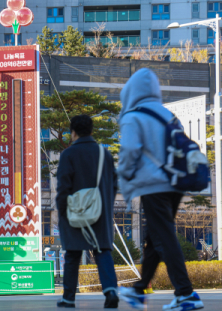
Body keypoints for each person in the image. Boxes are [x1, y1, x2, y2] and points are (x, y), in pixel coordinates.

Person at [117, 68, 204, 310]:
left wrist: (123, 179)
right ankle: (139, 290)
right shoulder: (167, 114)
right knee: (155, 238)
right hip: (174, 184)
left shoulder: (133, 116)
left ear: (131, 92)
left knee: (164, 237)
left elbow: (130, 151)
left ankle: (186, 294)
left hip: (152, 185)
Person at [55, 115, 119, 309]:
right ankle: (110, 291)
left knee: (73, 255)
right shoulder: (104, 153)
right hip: (100, 212)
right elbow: (114, 184)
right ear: (92, 131)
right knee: (102, 251)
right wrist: (105, 206)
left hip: (74, 212)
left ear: (73, 132)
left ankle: (68, 298)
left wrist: (63, 212)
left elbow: (63, 187)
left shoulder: (68, 154)